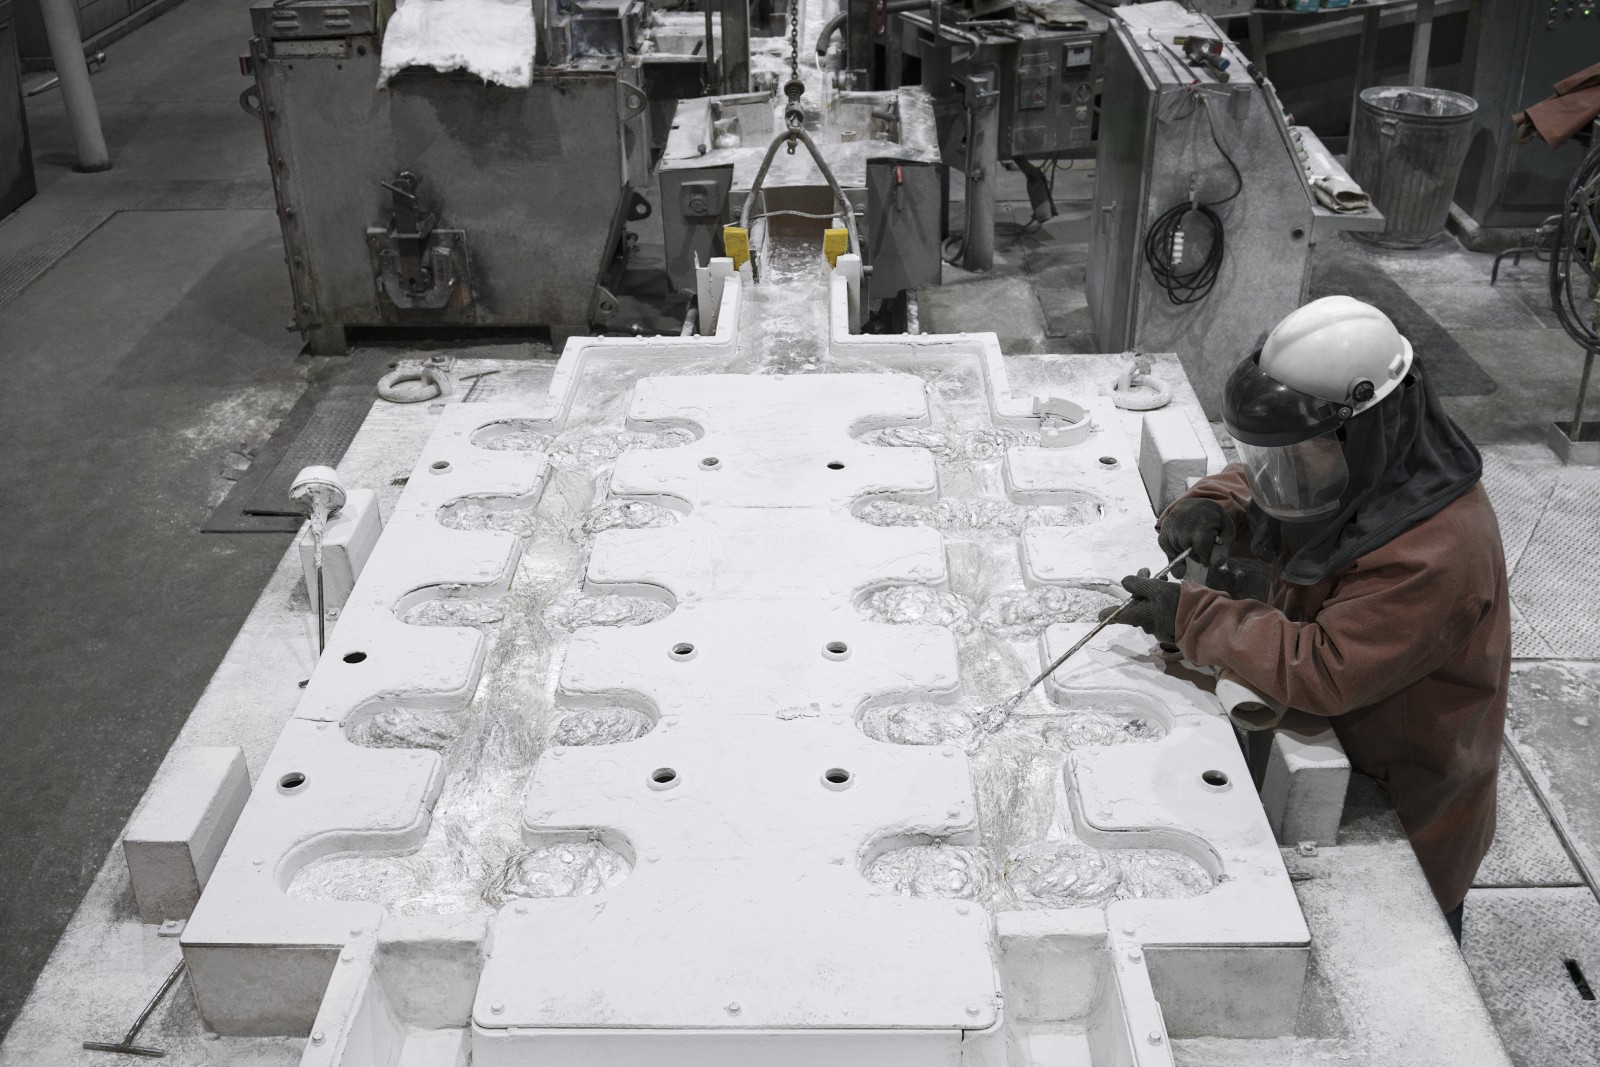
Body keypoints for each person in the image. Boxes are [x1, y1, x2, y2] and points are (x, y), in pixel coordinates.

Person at [1105, 295, 1510, 943]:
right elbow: (1278, 483)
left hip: (1399, 798)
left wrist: (1191, 615)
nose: (1281, 469)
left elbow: (1320, 664)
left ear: (1362, 429)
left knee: (1401, 952)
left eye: (1300, 450)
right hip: (1348, 737)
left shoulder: (1435, 553)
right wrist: (1214, 506)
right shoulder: (1368, 470)